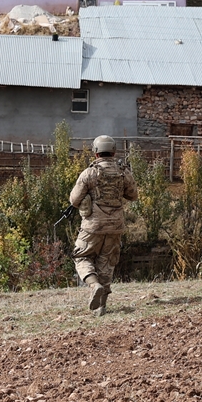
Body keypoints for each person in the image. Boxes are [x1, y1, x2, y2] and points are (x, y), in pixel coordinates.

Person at [69, 135, 138, 316]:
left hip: (93, 226)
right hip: (115, 225)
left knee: (81, 256)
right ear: (114, 151)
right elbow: (133, 195)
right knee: (106, 264)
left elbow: (74, 200)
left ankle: (94, 285)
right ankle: (102, 307)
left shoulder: (89, 173)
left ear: (95, 152)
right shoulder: (123, 172)